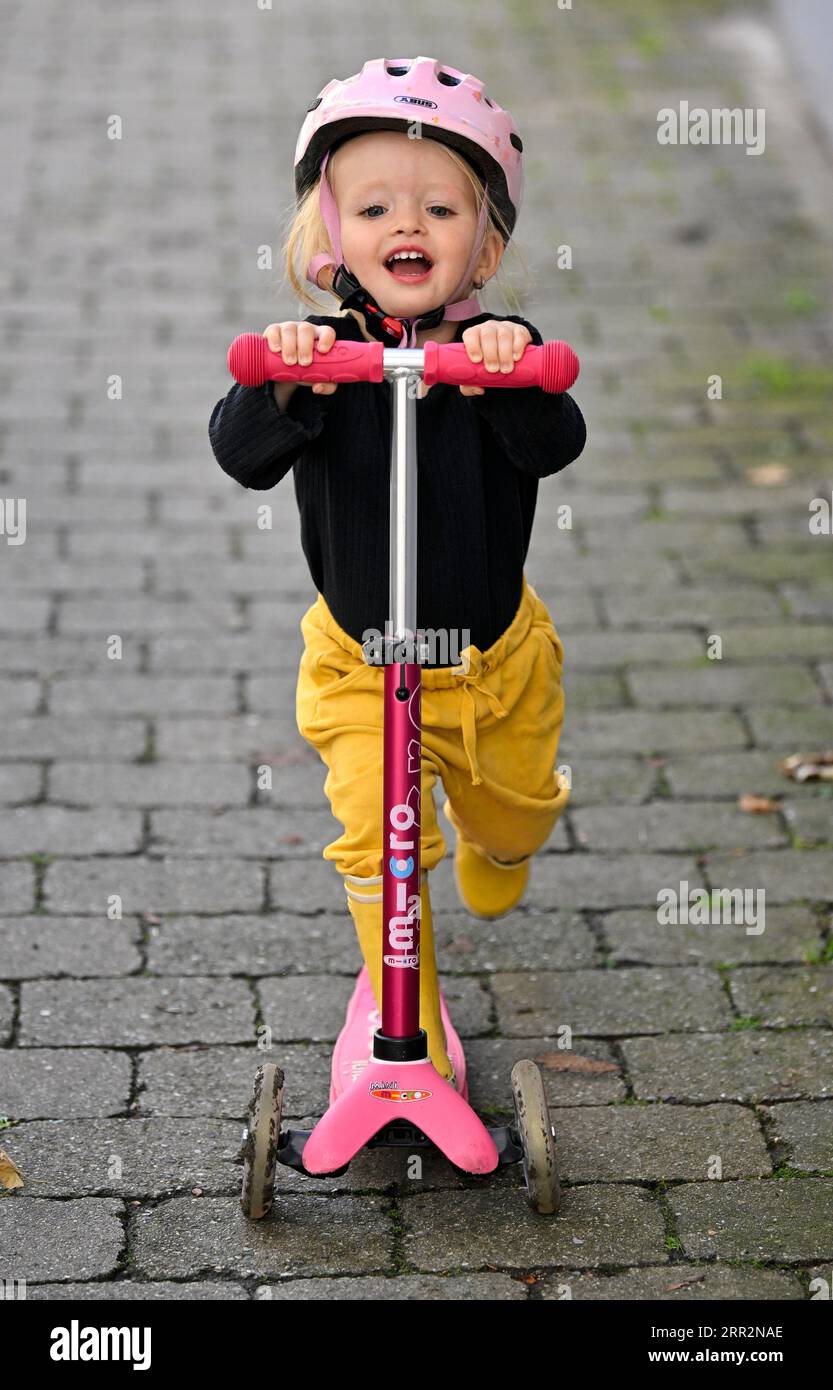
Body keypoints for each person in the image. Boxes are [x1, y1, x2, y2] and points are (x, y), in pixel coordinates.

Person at [209, 57, 587, 1084]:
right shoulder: (320, 358)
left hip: (490, 662)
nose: (403, 223)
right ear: (332, 239)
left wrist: (508, 370)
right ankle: (401, 1022)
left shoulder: (500, 351)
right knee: (378, 846)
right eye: (373, 206)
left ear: (486, 241)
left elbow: (553, 441)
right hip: (360, 662)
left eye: (436, 206)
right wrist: (284, 382)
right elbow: (240, 453)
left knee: (511, 813)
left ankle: (499, 845)